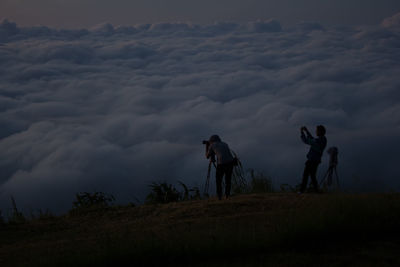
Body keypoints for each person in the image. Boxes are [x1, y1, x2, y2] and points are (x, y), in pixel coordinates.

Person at [205, 135, 235, 200]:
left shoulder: (212, 145)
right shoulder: (225, 144)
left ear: (212, 141)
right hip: (231, 162)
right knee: (228, 180)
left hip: (221, 164)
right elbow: (220, 152)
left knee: (218, 181)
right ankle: (227, 195)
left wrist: (207, 146)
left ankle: (219, 197)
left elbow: (207, 156)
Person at [299, 125, 327, 193]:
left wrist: (302, 132)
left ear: (320, 131)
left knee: (306, 175)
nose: (316, 132)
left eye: (317, 130)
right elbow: (312, 139)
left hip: (312, 160)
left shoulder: (317, 141)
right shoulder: (323, 139)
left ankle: (302, 190)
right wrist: (307, 131)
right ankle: (316, 190)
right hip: (316, 160)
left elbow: (306, 140)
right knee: (312, 175)